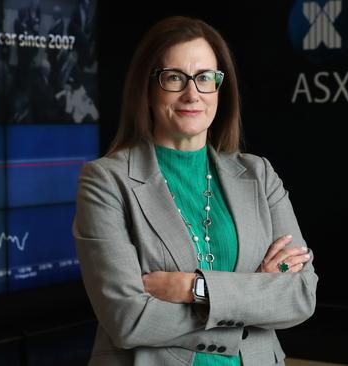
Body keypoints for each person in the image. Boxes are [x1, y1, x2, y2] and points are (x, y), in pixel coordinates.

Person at [73, 16, 317, 366]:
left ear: (221, 87)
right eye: (175, 78)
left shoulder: (259, 174)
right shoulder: (106, 182)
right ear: (148, 86)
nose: (192, 94)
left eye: (205, 78)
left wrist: (196, 289)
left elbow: (301, 295)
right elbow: (128, 319)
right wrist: (256, 291)